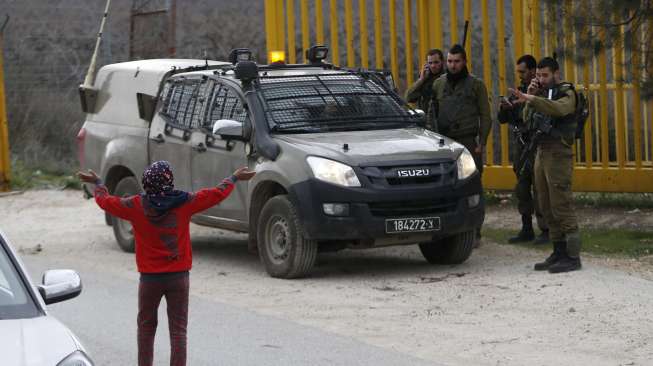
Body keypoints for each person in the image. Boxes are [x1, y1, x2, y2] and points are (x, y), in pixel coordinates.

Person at [78, 161, 256, 365]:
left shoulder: (135, 205)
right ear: (169, 180)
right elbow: (216, 194)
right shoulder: (184, 202)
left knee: (146, 329)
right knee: (178, 332)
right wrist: (233, 178)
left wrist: (99, 183)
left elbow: (105, 202)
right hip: (179, 278)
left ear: (146, 182)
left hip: (149, 280)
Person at [509, 56, 582, 273]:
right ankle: (558, 251)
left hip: (559, 152)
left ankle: (573, 255)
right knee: (546, 203)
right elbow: (525, 117)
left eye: (545, 75)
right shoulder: (541, 93)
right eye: (538, 75)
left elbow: (560, 110)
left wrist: (533, 98)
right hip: (541, 150)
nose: (540, 79)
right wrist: (533, 97)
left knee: (561, 203)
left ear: (556, 74)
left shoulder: (567, 92)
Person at [430, 44, 492, 246]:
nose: (453, 65)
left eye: (457, 61)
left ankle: (475, 231)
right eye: (449, 61)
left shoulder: (476, 85)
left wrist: (481, 142)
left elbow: (486, 115)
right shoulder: (439, 84)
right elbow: (432, 111)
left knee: (472, 186)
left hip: (467, 141)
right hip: (445, 142)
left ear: (464, 62)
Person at [498, 54, 549, 244]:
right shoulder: (518, 92)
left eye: (523, 71)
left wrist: (531, 98)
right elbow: (502, 119)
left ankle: (546, 230)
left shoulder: (543, 93)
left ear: (533, 71)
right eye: (518, 72)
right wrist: (505, 107)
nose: (520, 75)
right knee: (522, 188)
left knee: (540, 189)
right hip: (521, 146)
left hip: (536, 144)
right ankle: (526, 228)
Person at [405, 48, 444, 119]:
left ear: (442, 62)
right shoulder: (425, 78)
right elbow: (408, 97)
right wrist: (421, 80)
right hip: (426, 120)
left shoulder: (446, 78)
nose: (433, 66)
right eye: (430, 63)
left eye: (436, 62)